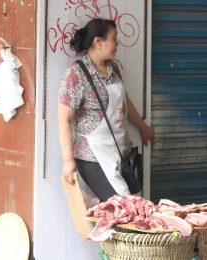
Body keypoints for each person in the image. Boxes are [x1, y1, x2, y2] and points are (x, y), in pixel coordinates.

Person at [58, 18, 154, 202]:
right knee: (124, 207)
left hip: (120, 153)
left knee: (130, 209)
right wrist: (68, 161)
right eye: (114, 38)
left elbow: (124, 103)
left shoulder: (113, 68)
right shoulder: (75, 75)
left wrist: (143, 127)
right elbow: (64, 120)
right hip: (93, 157)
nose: (117, 44)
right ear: (98, 41)